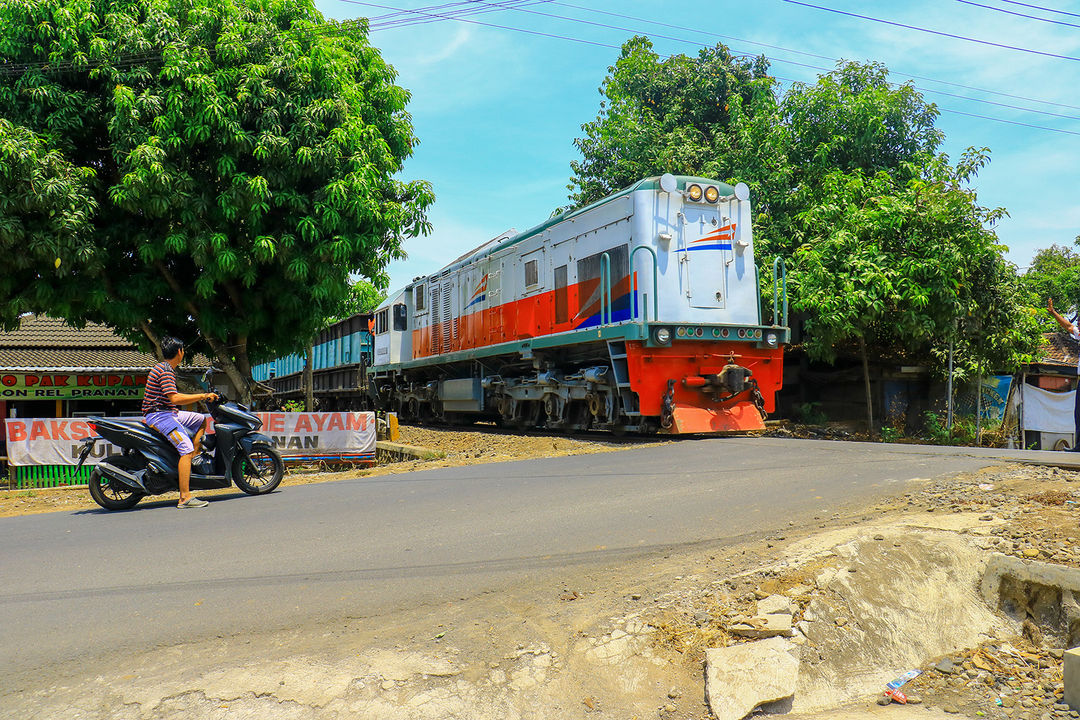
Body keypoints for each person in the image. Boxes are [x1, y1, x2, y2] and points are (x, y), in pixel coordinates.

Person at [142, 337, 219, 507]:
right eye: (183, 350)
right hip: (160, 416)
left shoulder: (166, 368)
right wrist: (202, 396)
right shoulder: (166, 370)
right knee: (185, 448)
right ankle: (184, 498)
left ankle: (194, 458)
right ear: (179, 352)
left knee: (200, 420)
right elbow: (175, 398)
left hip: (169, 413)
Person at [1048, 298, 1080, 451]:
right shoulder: (1079, 334)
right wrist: (1053, 312)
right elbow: (1068, 326)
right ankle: (1079, 446)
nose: (1078, 325)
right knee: (1078, 414)